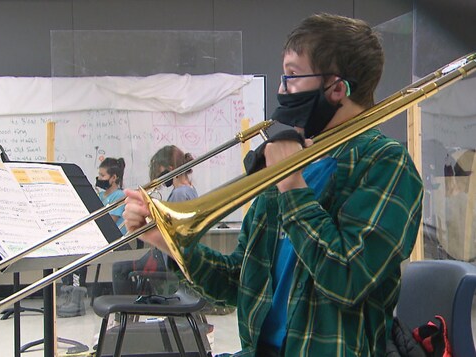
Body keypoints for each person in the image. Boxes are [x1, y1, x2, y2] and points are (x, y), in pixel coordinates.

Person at [123, 13, 423, 356]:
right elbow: (238, 282)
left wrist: (292, 183)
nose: (282, 89)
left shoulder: (385, 163)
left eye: (293, 75)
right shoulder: (285, 164)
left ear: (337, 89)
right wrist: (168, 241)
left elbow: (347, 278)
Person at [112, 145, 196, 296]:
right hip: (170, 256)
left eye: (160, 172)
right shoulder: (189, 189)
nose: (159, 179)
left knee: (119, 267)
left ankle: (123, 312)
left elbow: (171, 233)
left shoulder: (179, 194)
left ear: (170, 169)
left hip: (165, 258)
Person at [58, 157, 127, 317]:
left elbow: (109, 223)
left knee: (78, 255)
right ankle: (69, 293)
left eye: (102, 176)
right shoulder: (101, 195)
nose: (99, 179)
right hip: (98, 237)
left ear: (113, 178)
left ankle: (76, 299)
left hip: (112, 240)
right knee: (67, 250)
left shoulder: (119, 196)